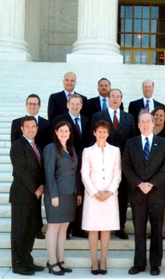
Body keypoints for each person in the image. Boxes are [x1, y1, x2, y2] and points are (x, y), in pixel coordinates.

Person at [123, 111, 165, 276]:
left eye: (148, 122)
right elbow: (126, 166)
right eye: (142, 122)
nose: (145, 125)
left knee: (157, 230)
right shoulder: (130, 143)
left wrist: (151, 184)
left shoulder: (164, 143)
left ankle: (155, 264)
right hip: (137, 193)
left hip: (156, 193)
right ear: (138, 125)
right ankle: (139, 263)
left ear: (153, 124)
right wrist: (139, 183)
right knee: (139, 230)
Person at [90, 89, 136, 240]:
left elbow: (133, 141)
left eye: (118, 96)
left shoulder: (129, 118)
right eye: (113, 96)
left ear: (121, 99)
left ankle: (120, 227)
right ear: (108, 98)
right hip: (102, 163)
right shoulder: (98, 116)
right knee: (101, 194)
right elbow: (93, 140)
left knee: (121, 197)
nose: (115, 99)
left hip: (123, 164)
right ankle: (100, 227)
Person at [81, 120, 121, 275]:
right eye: (99, 131)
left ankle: (103, 261)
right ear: (94, 133)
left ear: (108, 133)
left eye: (105, 132)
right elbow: (84, 174)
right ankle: (94, 262)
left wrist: (109, 191)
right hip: (93, 196)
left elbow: (117, 174)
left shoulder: (115, 151)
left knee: (105, 230)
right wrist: (94, 192)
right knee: (92, 229)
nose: (102, 134)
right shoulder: (87, 151)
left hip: (110, 196)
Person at [44, 121, 82, 275]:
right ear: (56, 132)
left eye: (67, 131)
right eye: (61, 131)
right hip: (56, 195)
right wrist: (53, 195)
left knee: (64, 227)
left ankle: (60, 260)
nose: (64, 134)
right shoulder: (50, 149)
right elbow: (49, 174)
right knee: (53, 227)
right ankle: (52, 261)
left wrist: (78, 192)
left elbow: (75, 173)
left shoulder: (72, 149)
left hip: (70, 194)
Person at [11, 94, 50, 240]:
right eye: (30, 104)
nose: (33, 106)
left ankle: (37, 228)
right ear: (26, 105)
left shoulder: (46, 124)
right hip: (24, 177)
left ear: (39, 106)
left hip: (38, 171)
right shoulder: (16, 124)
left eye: (35, 104)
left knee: (36, 207)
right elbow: (16, 149)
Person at [10, 116, 45, 275]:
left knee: (30, 231)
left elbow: (38, 170)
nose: (31, 129)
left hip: (34, 197)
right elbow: (21, 171)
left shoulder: (37, 146)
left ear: (37, 128)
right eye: (27, 127)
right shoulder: (17, 146)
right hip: (22, 196)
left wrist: (42, 185)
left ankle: (27, 260)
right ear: (22, 129)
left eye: (33, 126)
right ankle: (18, 264)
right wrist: (35, 188)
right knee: (19, 231)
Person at [52, 94, 90, 238]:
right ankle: (66, 229)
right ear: (67, 105)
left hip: (82, 163)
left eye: (78, 104)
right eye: (72, 104)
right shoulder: (58, 120)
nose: (75, 106)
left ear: (81, 106)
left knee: (79, 194)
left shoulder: (87, 120)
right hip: (64, 163)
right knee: (67, 196)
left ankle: (79, 228)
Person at [151, 106, 165, 239]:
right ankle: (153, 228)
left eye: (161, 115)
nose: (158, 117)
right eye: (156, 115)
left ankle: (162, 228)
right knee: (150, 202)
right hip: (148, 174)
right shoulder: (146, 130)